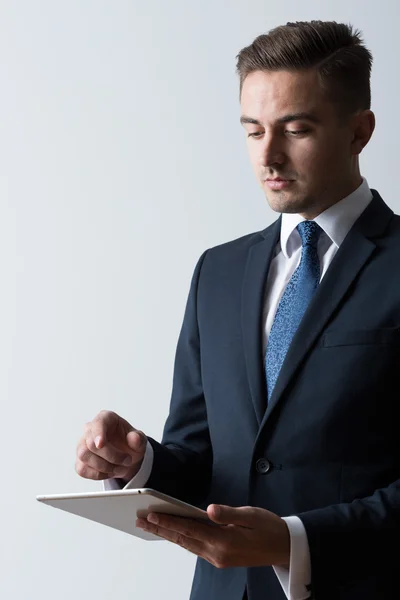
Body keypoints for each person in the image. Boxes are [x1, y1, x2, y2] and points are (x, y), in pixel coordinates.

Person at [75, 19, 400, 600]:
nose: (269, 156)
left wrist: (292, 541)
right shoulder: (217, 273)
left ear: (360, 131)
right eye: (253, 132)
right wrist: (136, 462)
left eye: (295, 129)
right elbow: (204, 461)